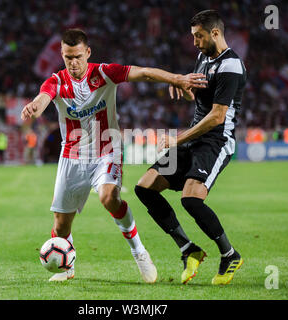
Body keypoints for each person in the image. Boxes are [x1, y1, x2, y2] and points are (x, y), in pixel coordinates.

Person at [21, 28, 206, 283]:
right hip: (72, 156)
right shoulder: (56, 81)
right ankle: (68, 268)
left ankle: (139, 252)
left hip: (106, 150)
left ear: (88, 53)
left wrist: (175, 78)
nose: (72, 62)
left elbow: (144, 73)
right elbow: (44, 98)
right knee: (61, 225)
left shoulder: (104, 73)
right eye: (67, 57)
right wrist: (35, 107)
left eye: (76, 56)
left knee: (109, 197)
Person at [134, 10, 246, 286]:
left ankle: (229, 254)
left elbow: (217, 116)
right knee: (144, 187)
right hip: (195, 137)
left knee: (191, 199)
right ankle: (188, 249)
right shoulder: (203, 57)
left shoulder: (230, 65)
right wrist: (183, 87)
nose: (194, 42)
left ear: (215, 33)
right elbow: (199, 95)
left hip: (216, 140)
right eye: (193, 36)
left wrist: (178, 140)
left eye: (199, 36)